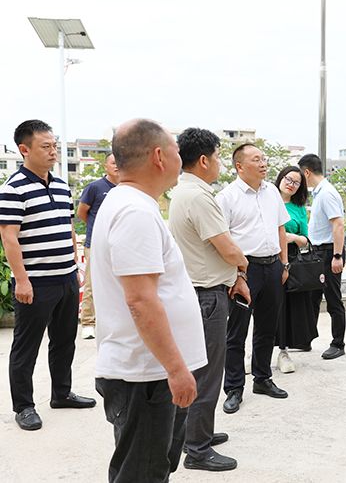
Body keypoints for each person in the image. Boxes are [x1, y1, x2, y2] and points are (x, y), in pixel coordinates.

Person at [91, 119, 207, 481]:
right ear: (159, 156)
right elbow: (140, 300)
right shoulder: (134, 212)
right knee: (141, 474)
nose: (180, 158)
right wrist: (176, 369)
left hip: (152, 373)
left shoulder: (134, 204)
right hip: (146, 375)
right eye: (176, 151)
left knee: (153, 468)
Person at [0, 119, 95, 432]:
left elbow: (68, 227)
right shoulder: (13, 189)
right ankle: (24, 406)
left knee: (65, 340)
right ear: (24, 149)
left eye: (54, 145)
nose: (53, 151)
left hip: (65, 277)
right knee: (26, 347)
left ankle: (61, 393)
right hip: (35, 282)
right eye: (46, 146)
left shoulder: (61, 186)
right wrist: (22, 280)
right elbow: (9, 237)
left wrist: (74, 266)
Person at [169, 127, 250, 472]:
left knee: (199, 370)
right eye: (217, 157)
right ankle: (198, 449)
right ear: (203, 160)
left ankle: (195, 433)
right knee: (206, 375)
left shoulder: (182, 191)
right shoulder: (199, 197)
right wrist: (243, 266)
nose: (220, 164)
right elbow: (227, 248)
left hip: (198, 292)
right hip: (207, 296)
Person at [216, 143, 290, 415]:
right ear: (239, 166)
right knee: (237, 331)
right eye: (256, 159)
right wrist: (236, 274)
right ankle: (234, 388)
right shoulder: (227, 197)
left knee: (267, 328)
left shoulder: (272, 192)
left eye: (264, 159)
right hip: (245, 271)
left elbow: (280, 228)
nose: (263, 163)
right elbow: (222, 239)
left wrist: (284, 264)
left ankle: (262, 379)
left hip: (273, 267)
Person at [298, 153, 346, 360]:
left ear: (306, 172)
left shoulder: (326, 193)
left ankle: (338, 344)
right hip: (318, 252)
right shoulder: (319, 193)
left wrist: (337, 255)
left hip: (329, 252)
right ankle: (305, 339)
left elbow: (338, 224)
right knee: (312, 298)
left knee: (333, 299)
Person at [274, 166, 318, 373]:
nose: (291, 184)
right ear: (280, 178)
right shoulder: (267, 200)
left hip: (291, 260)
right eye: (288, 179)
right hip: (267, 257)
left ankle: (283, 352)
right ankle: (255, 352)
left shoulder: (299, 208)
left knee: (286, 308)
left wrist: (291, 237)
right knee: (264, 307)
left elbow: (305, 239)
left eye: (297, 182)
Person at [76, 153, 120, 340]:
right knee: (92, 284)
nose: (117, 166)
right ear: (105, 166)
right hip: (95, 244)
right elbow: (81, 213)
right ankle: (88, 322)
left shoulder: (127, 188)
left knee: (119, 284)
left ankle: (113, 322)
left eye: (119, 162)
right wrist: (99, 229)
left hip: (119, 244)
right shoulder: (95, 187)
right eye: (113, 162)